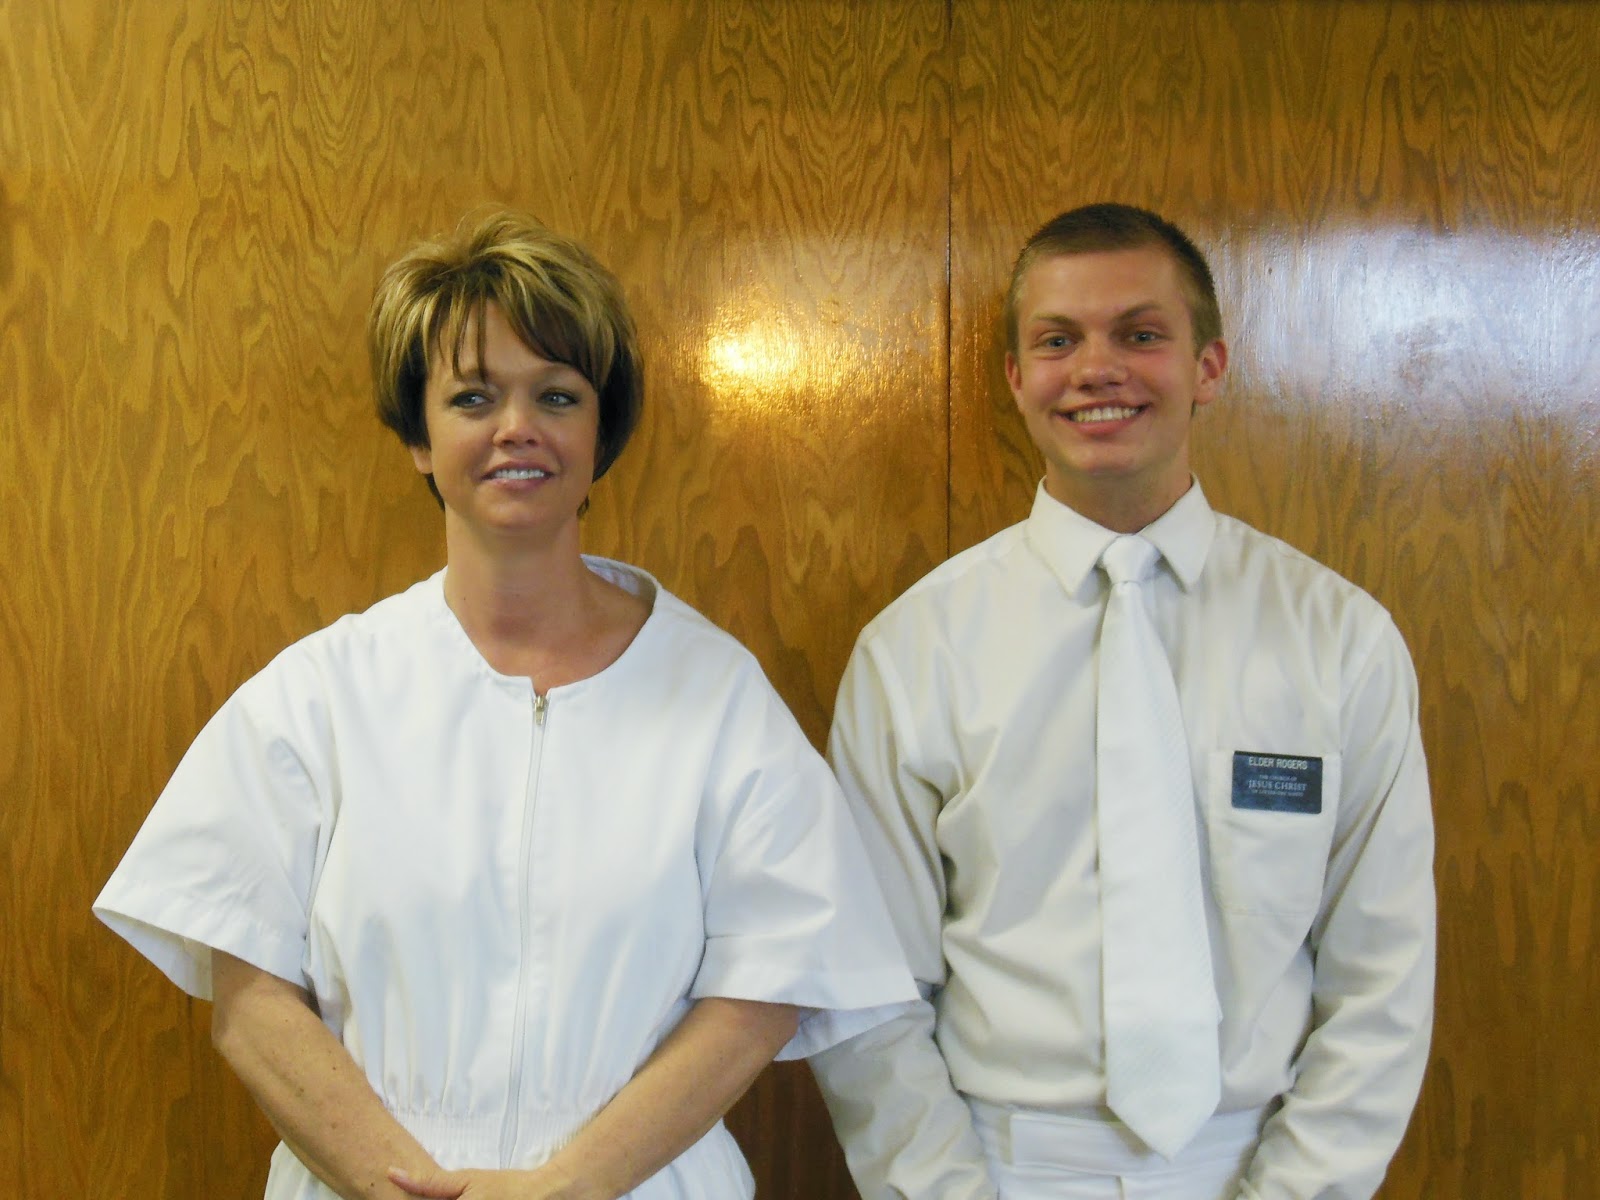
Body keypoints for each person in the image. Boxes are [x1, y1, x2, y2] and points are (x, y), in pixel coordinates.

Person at [95, 208, 917, 1200]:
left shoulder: (713, 694)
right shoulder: (322, 694)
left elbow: (766, 988)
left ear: (600, 431)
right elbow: (249, 994)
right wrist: (404, 1186)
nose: (516, 428)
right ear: (418, 435)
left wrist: (569, 1186)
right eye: (473, 397)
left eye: (556, 395)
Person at [810, 202, 1434, 1199]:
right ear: (1016, 377)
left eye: (1140, 335)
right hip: (999, 1168)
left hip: (1261, 1161)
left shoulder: (1337, 639)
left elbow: (1382, 978)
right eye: (1057, 341)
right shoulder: (916, 650)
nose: (1096, 369)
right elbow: (870, 985)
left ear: (1208, 367)